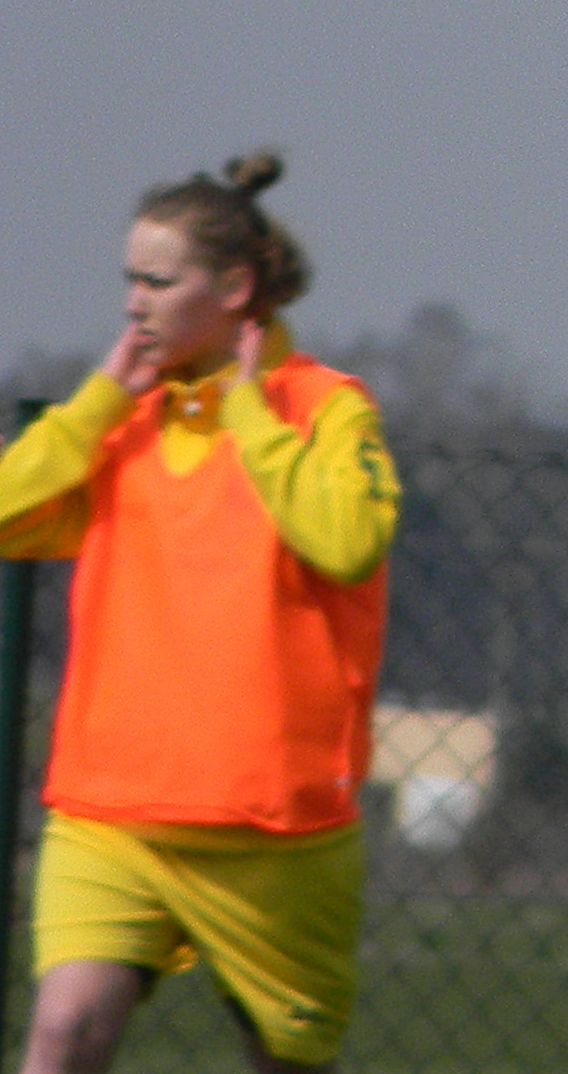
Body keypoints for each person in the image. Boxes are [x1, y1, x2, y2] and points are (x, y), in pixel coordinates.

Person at [0, 154, 400, 1074]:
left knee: (284, 1060)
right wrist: (99, 398)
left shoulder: (326, 407)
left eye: (158, 280)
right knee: (62, 1034)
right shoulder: (126, 416)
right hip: (111, 809)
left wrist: (250, 416)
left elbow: (347, 541)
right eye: (128, 281)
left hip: (274, 828)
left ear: (234, 288)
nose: (134, 303)